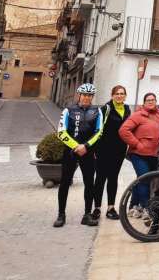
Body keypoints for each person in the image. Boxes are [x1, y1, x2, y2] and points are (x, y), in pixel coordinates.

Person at [54, 83, 104, 228]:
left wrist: (86, 146)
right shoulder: (68, 110)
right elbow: (61, 132)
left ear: (92, 97)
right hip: (71, 151)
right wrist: (76, 146)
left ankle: (87, 215)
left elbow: (99, 132)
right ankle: (61, 214)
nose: (87, 98)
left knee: (89, 183)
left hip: (88, 152)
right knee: (64, 183)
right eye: (85, 95)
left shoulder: (97, 111)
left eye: (90, 95)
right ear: (79, 95)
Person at [119, 92, 159, 220]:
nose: (151, 102)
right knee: (144, 179)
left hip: (155, 154)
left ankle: (134, 205)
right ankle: (147, 208)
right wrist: (137, 144)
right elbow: (123, 130)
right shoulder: (138, 115)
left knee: (142, 179)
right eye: (148, 100)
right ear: (144, 102)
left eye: (153, 100)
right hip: (138, 154)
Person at [93, 84, 130, 221]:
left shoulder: (126, 109)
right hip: (103, 149)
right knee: (100, 178)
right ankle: (96, 208)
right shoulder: (105, 108)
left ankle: (110, 208)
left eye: (122, 93)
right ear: (112, 95)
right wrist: (95, 149)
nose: (120, 96)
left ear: (125, 96)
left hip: (119, 150)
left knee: (113, 178)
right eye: (117, 93)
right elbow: (97, 129)